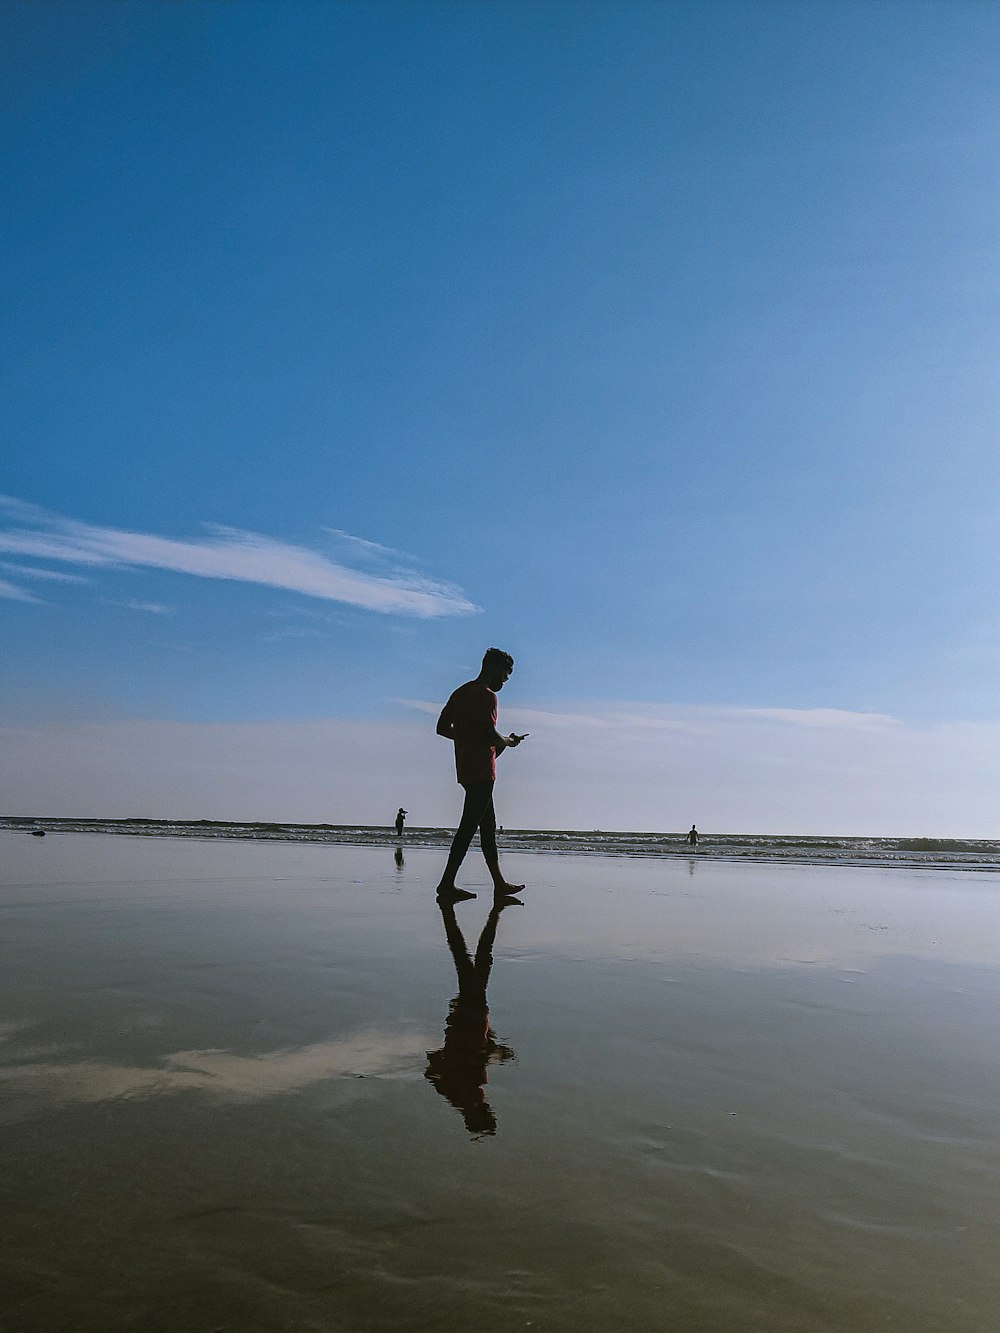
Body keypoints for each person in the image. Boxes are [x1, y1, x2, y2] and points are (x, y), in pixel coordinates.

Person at [434, 647, 527, 899]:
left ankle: (499, 883)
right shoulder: (487, 697)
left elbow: (442, 728)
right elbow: (488, 735)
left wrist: (467, 737)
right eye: (504, 676)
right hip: (483, 770)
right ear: (493, 669)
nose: (504, 682)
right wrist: (508, 741)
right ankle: (446, 884)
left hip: (465, 767)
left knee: (487, 827)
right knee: (468, 828)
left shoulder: (461, 692)